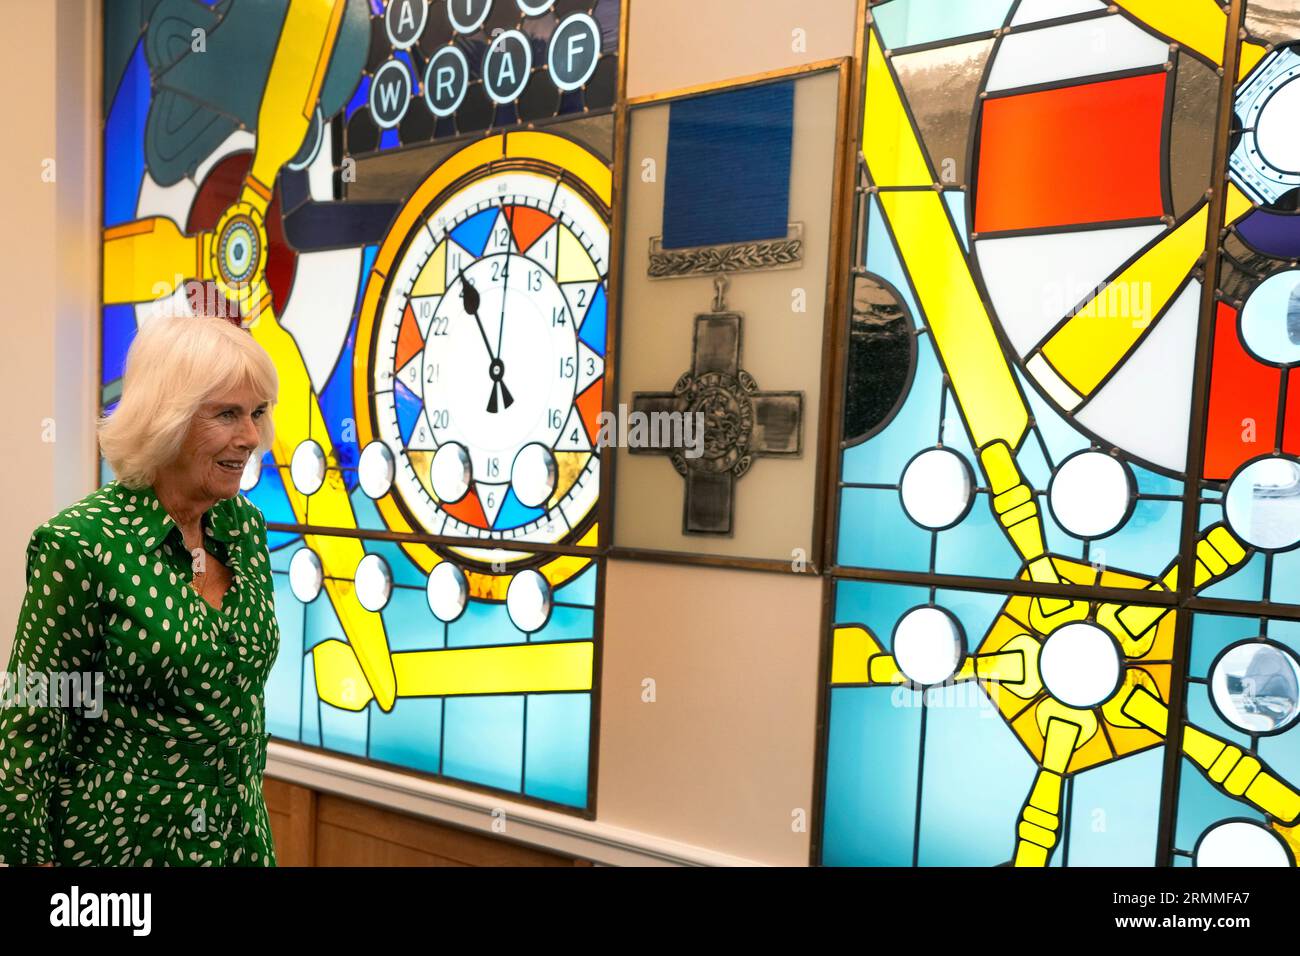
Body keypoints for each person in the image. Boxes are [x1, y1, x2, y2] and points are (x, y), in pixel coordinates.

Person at [0, 313, 281, 866]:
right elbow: (32, 725)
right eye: (227, 413)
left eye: (257, 413)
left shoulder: (243, 528)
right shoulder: (81, 545)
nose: (250, 437)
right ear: (167, 419)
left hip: (238, 844)